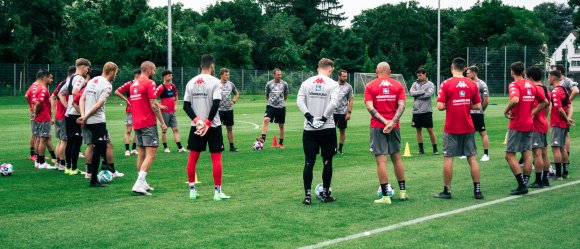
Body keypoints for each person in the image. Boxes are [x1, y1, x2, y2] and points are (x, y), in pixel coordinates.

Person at [434, 57, 484, 200]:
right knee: (472, 157)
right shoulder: (472, 84)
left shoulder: (446, 83)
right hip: (468, 126)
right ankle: (477, 191)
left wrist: (452, 104)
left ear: (452, 67)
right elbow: (477, 106)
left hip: (451, 127)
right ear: (465, 69)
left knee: (448, 158)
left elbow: (439, 106)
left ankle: (447, 191)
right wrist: (464, 104)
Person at [183, 54, 230, 201]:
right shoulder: (216, 82)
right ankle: (217, 193)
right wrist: (208, 123)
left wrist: (198, 121)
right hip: (213, 126)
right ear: (212, 66)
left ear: (201, 65)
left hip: (196, 126)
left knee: (193, 157)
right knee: (216, 158)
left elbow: (186, 106)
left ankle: (192, 191)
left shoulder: (191, 82)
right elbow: (216, 103)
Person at [364, 62, 409, 204]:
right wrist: (392, 122)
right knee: (397, 159)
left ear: (376, 71)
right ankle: (403, 193)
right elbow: (402, 106)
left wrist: (385, 122)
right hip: (394, 126)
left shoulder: (370, 86)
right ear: (389, 71)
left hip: (378, 126)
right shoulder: (398, 85)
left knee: (381, 161)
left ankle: (385, 196)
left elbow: (369, 107)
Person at [297, 58, 340, 205]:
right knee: (327, 162)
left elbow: (299, 101)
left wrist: (309, 117)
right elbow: (334, 103)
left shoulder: (306, 82)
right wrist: (323, 118)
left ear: (318, 68)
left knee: (309, 162)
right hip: (327, 128)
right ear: (329, 69)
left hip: (309, 128)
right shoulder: (333, 84)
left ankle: (307, 196)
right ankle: (325, 195)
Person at [503, 62, 548, 195]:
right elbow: (545, 102)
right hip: (529, 124)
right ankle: (526, 182)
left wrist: (506, 111)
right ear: (523, 71)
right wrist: (533, 112)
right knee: (526, 154)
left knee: (509, 155)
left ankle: (522, 185)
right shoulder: (532, 85)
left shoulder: (514, 84)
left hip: (517, 124)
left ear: (512, 72)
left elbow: (515, 99)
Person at [124, 61, 167, 195]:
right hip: (148, 122)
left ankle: (142, 182)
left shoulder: (133, 85)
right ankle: (138, 183)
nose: (155, 72)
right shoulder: (150, 83)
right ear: (148, 70)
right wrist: (162, 122)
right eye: (154, 70)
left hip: (137, 123)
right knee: (151, 154)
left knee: (141, 153)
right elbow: (153, 105)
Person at [77, 62, 118, 187]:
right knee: (98, 149)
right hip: (97, 121)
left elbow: (82, 99)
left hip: (88, 121)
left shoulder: (93, 79)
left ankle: (104, 168)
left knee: (100, 145)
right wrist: (86, 116)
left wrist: (83, 116)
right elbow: (98, 105)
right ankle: (94, 179)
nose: (115, 75)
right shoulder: (107, 86)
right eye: (115, 73)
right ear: (111, 72)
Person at [58, 58, 91, 175]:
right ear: (83, 67)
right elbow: (75, 92)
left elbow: (60, 93)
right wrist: (81, 112)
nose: (88, 70)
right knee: (76, 141)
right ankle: (74, 168)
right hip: (75, 115)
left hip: (69, 114)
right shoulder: (79, 78)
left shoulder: (70, 78)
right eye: (87, 67)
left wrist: (68, 106)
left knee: (70, 141)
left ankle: (68, 167)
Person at [526, 66, 551, 188]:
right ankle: (545, 179)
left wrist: (533, 114)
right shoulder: (546, 89)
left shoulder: (536, 89)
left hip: (536, 124)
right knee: (544, 152)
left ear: (530, 77)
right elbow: (548, 107)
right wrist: (543, 118)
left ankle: (538, 181)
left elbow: (540, 105)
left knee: (537, 153)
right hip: (543, 122)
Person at [548, 70, 574, 180]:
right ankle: (565, 172)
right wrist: (568, 118)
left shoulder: (555, 91)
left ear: (553, 78)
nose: (548, 79)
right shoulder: (564, 90)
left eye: (549, 77)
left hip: (557, 123)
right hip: (563, 123)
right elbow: (570, 106)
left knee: (555, 148)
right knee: (562, 148)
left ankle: (558, 175)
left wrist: (566, 119)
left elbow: (558, 109)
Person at [51, 66, 76, 170]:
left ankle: (58, 163)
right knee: (65, 141)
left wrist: (55, 112)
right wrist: (67, 108)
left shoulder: (62, 83)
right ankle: (62, 164)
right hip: (64, 117)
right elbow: (54, 97)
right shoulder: (69, 85)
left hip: (58, 116)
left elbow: (52, 97)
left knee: (61, 141)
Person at [409, 68, 438, 155]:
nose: (419, 77)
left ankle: (435, 149)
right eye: (418, 75)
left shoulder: (431, 84)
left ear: (425, 74)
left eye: (420, 75)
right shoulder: (414, 83)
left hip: (427, 111)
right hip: (416, 111)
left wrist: (417, 93)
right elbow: (411, 93)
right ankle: (421, 149)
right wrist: (421, 92)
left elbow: (428, 94)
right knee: (418, 130)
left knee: (429, 129)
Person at [31, 69, 56, 170]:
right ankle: (42, 163)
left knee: (39, 139)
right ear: (44, 78)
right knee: (43, 140)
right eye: (50, 77)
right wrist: (36, 113)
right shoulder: (43, 89)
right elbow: (39, 103)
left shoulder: (38, 88)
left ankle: (37, 162)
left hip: (40, 118)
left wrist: (34, 114)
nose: (52, 80)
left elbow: (35, 102)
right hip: (43, 118)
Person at [259, 68, 289, 149]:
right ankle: (262, 140)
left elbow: (286, 95)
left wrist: (281, 102)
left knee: (281, 125)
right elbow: (267, 95)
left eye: (280, 74)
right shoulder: (269, 84)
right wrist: (271, 102)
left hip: (281, 108)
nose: (280, 76)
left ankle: (281, 143)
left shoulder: (284, 84)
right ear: (274, 75)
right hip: (271, 106)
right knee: (266, 120)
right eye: (278, 74)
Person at [157, 70, 186, 153]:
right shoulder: (161, 87)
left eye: (171, 75)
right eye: (169, 75)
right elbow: (152, 98)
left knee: (175, 129)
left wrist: (175, 105)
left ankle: (180, 148)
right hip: (164, 112)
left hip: (172, 112)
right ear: (165, 76)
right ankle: (165, 147)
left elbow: (176, 97)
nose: (171, 77)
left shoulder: (173, 86)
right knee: (164, 130)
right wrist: (160, 106)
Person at [465, 66, 490, 161]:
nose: (467, 75)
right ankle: (468, 152)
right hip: (467, 112)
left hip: (477, 113)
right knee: (468, 132)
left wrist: (481, 110)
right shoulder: (466, 83)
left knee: (482, 132)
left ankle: (486, 154)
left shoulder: (482, 84)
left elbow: (486, 100)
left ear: (474, 73)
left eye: (468, 73)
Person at [115, 70, 140, 156]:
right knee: (128, 130)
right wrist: (125, 99)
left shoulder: (142, 84)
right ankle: (127, 150)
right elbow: (117, 91)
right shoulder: (129, 84)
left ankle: (133, 149)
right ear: (138, 75)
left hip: (139, 111)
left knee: (137, 130)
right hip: (130, 110)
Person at [218, 68, 240, 152]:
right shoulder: (216, 84)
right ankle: (220, 145)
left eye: (228, 75)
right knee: (218, 129)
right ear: (221, 75)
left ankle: (232, 146)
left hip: (228, 110)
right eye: (226, 75)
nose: (228, 76)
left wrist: (233, 101)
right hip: (219, 110)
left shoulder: (231, 84)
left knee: (229, 128)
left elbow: (236, 93)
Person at [333, 69, 353, 155]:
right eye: (343, 76)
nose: (345, 78)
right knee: (331, 131)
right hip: (332, 112)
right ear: (339, 76)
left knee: (342, 131)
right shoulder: (333, 85)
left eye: (346, 76)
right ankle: (332, 149)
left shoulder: (349, 87)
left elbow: (351, 100)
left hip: (343, 113)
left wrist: (349, 112)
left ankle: (340, 149)